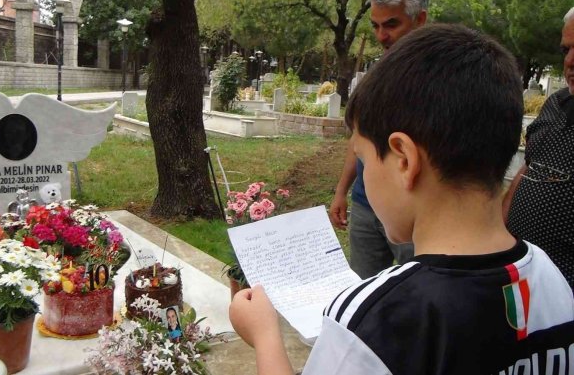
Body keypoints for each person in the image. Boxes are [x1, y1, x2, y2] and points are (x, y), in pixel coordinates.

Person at [229, 24, 574, 375]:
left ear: (404, 160)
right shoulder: (551, 278)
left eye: (363, 160)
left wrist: (265, 336)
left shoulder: (375, 319)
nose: (363, 173)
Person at [329, 0, 428, 279]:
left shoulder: (437, 77)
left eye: (391, 24)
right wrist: (341, 191)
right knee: (363, 290)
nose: (381, 36)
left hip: (413, 208)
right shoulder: (376, 75)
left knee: (418, 289)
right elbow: (359, 139)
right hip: (365, 205)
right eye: (375, 26)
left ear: (419, 20)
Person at [503, 7, 574, 289]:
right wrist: (500, 225)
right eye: (566, 49)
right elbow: (530, 166)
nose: (570, 61)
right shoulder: (556, 104)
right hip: (523, 275)